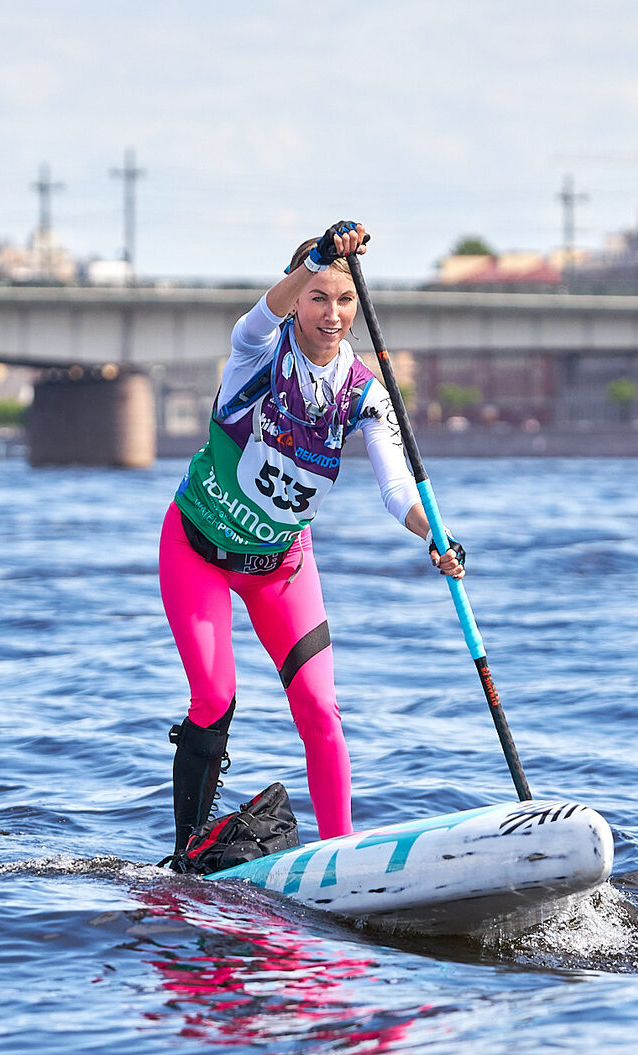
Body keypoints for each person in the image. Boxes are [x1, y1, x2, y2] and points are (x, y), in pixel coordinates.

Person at [158, 220, 464, 864]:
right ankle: (188, 853)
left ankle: (339, 856)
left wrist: (433, 535)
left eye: (345, 299)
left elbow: (395, 489)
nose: (332, 314)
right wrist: (316, 260)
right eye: (318, 296)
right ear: (296, 298)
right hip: (199, 550)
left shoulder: (365, 395)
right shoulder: (255, 355)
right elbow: (252, 321)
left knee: (322, 709)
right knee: (214, 697)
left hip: (283, 567)